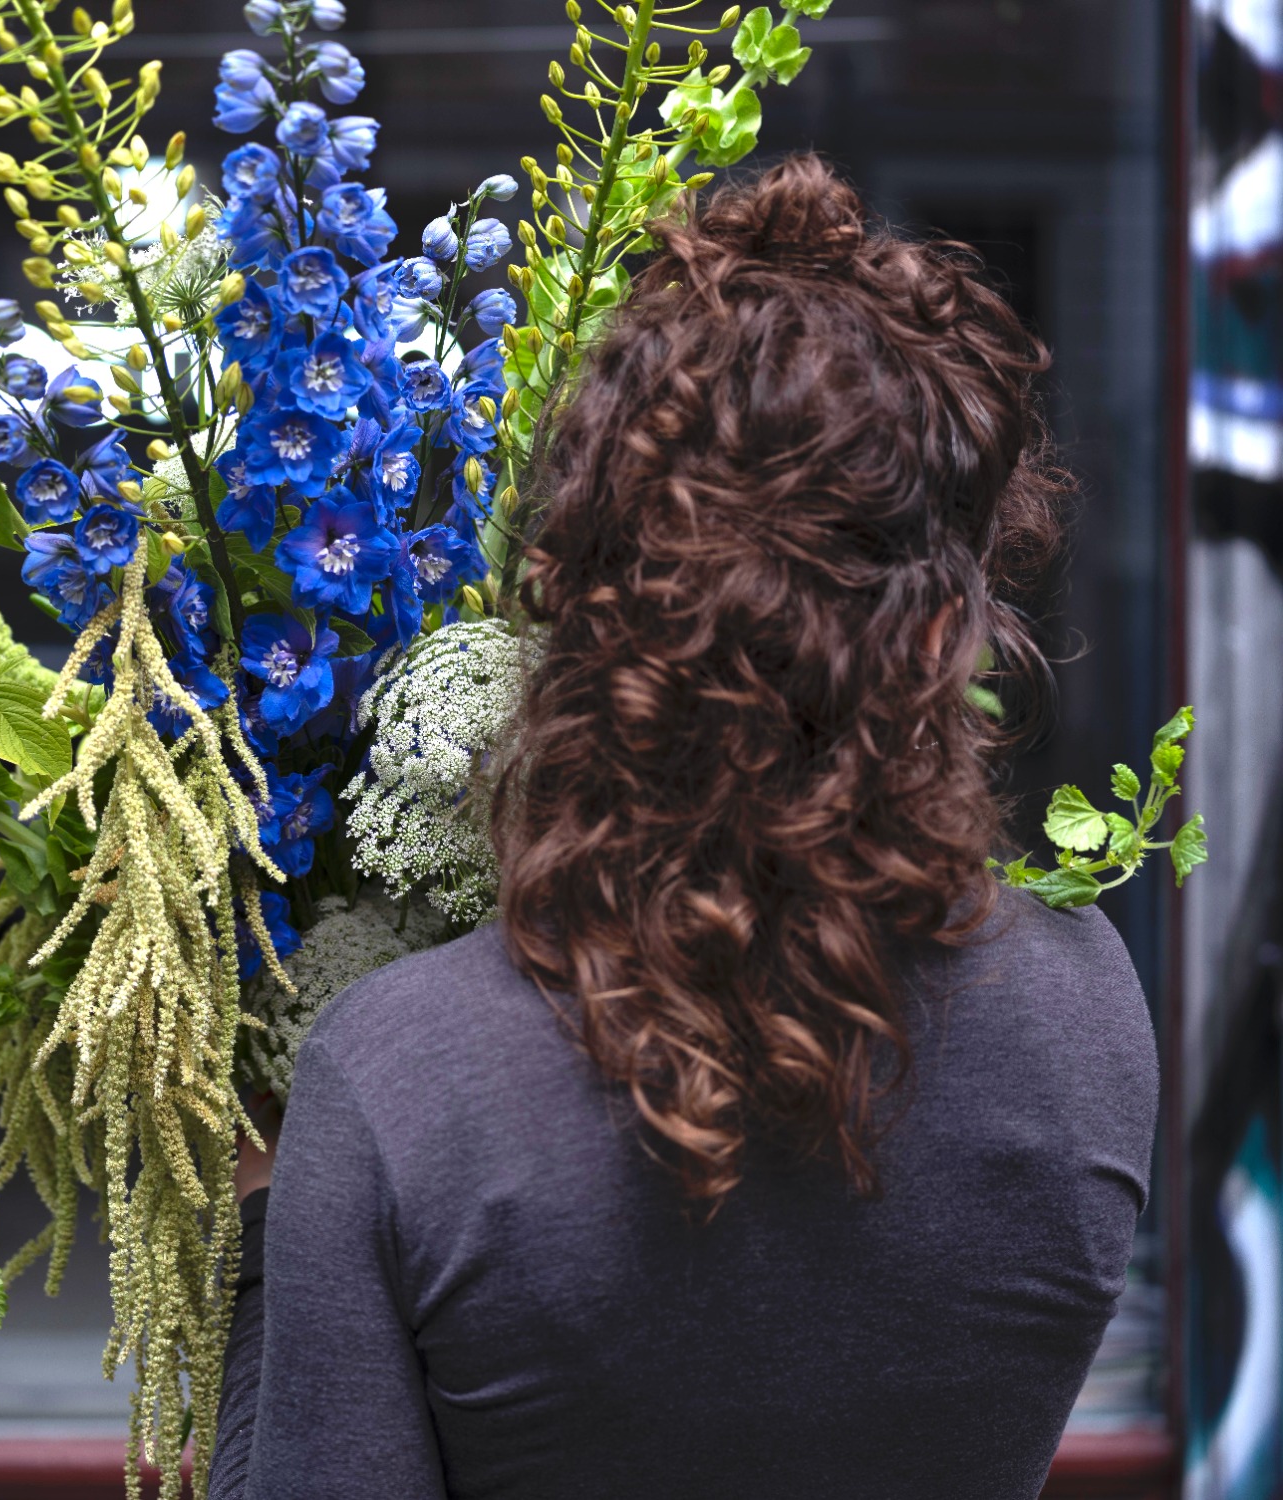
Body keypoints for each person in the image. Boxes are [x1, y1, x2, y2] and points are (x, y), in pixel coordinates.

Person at [210, 154, 1158, 1499]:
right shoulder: (1087, 1016)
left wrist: (267, 1224)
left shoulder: (405, 1081)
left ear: (581, 611)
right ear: (946, 629)